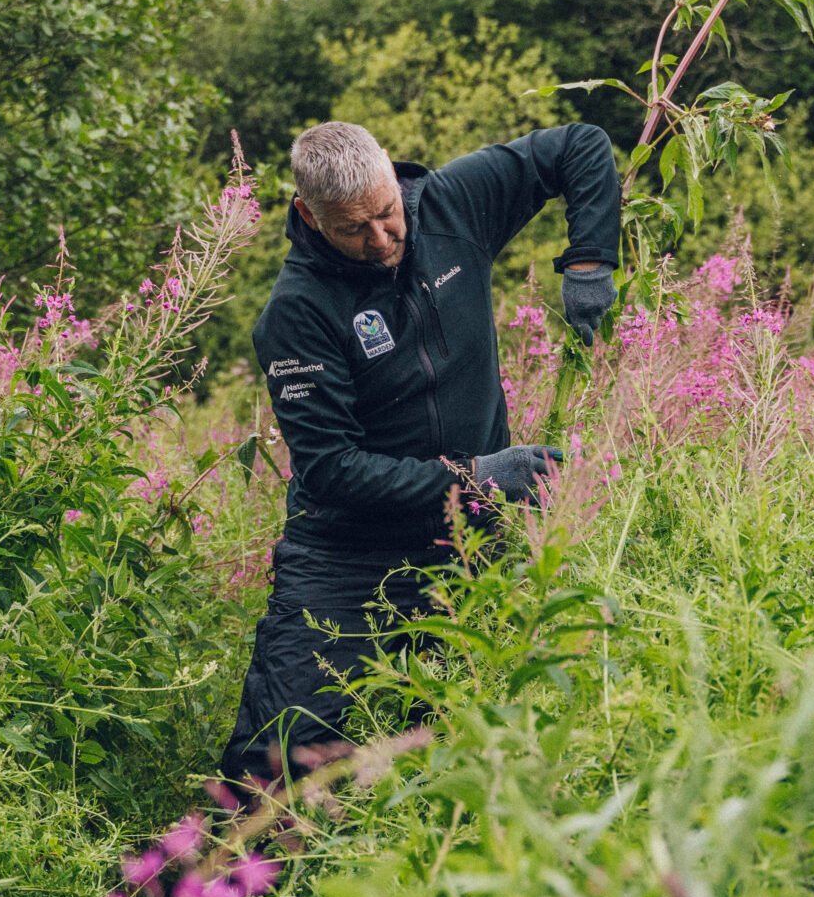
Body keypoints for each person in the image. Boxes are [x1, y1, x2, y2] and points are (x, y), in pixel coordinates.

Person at [219, 120, 621, 788]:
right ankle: (233, 879)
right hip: (347, 555)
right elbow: (333, 471)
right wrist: (476, 475)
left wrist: (589, 263)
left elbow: (580, 145)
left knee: (467, 737)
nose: (380, 240)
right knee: (279, 750)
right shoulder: (298, 314)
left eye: (385, 213)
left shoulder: (450, 203)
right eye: (354, 229)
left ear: (392, 176)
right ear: (308, 216)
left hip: (470, 542)